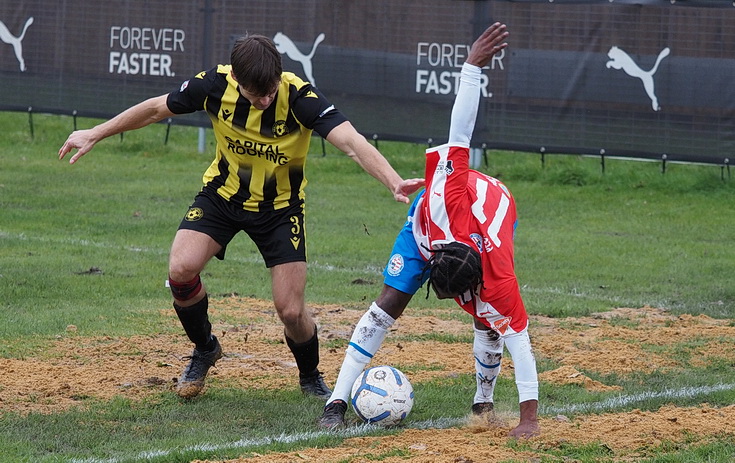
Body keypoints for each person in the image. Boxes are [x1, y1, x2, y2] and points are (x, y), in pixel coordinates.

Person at [58, 34, 424, 400]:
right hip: (222, 198)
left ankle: (310, 376)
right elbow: (156, 109)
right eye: (255, 95)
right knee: (181, 270)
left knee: (291, 310)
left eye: (270, 92)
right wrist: (97, 132)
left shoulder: (299, 97)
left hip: (280, 209)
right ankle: (205, 348)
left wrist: (392, 180)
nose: (265, 100)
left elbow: (353, 144)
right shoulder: (213, 85)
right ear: (235, 78)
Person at [318, 22, 540, 438]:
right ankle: (336, 401)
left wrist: (529, 420)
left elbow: (521, 342)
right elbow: (461, 130)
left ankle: (483, 401)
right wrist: (471, 67)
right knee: (388, 303)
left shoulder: (499, 279)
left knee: (492, 321)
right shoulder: (445, 204)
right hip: (430, 222)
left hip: (497, 205)